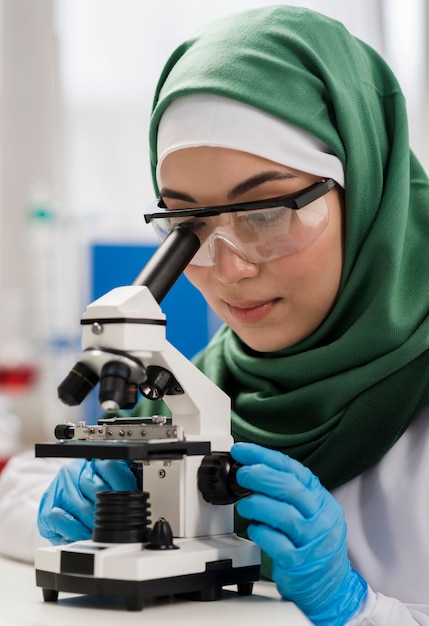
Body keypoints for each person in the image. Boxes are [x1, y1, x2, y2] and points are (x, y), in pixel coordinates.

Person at [36, 5, 429, 625]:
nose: (229, 270)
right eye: (187, 226)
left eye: (265, 213)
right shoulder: (204, 387)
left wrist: (359, 612)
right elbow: (21, 497)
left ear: (367, 189)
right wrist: (67, 509)